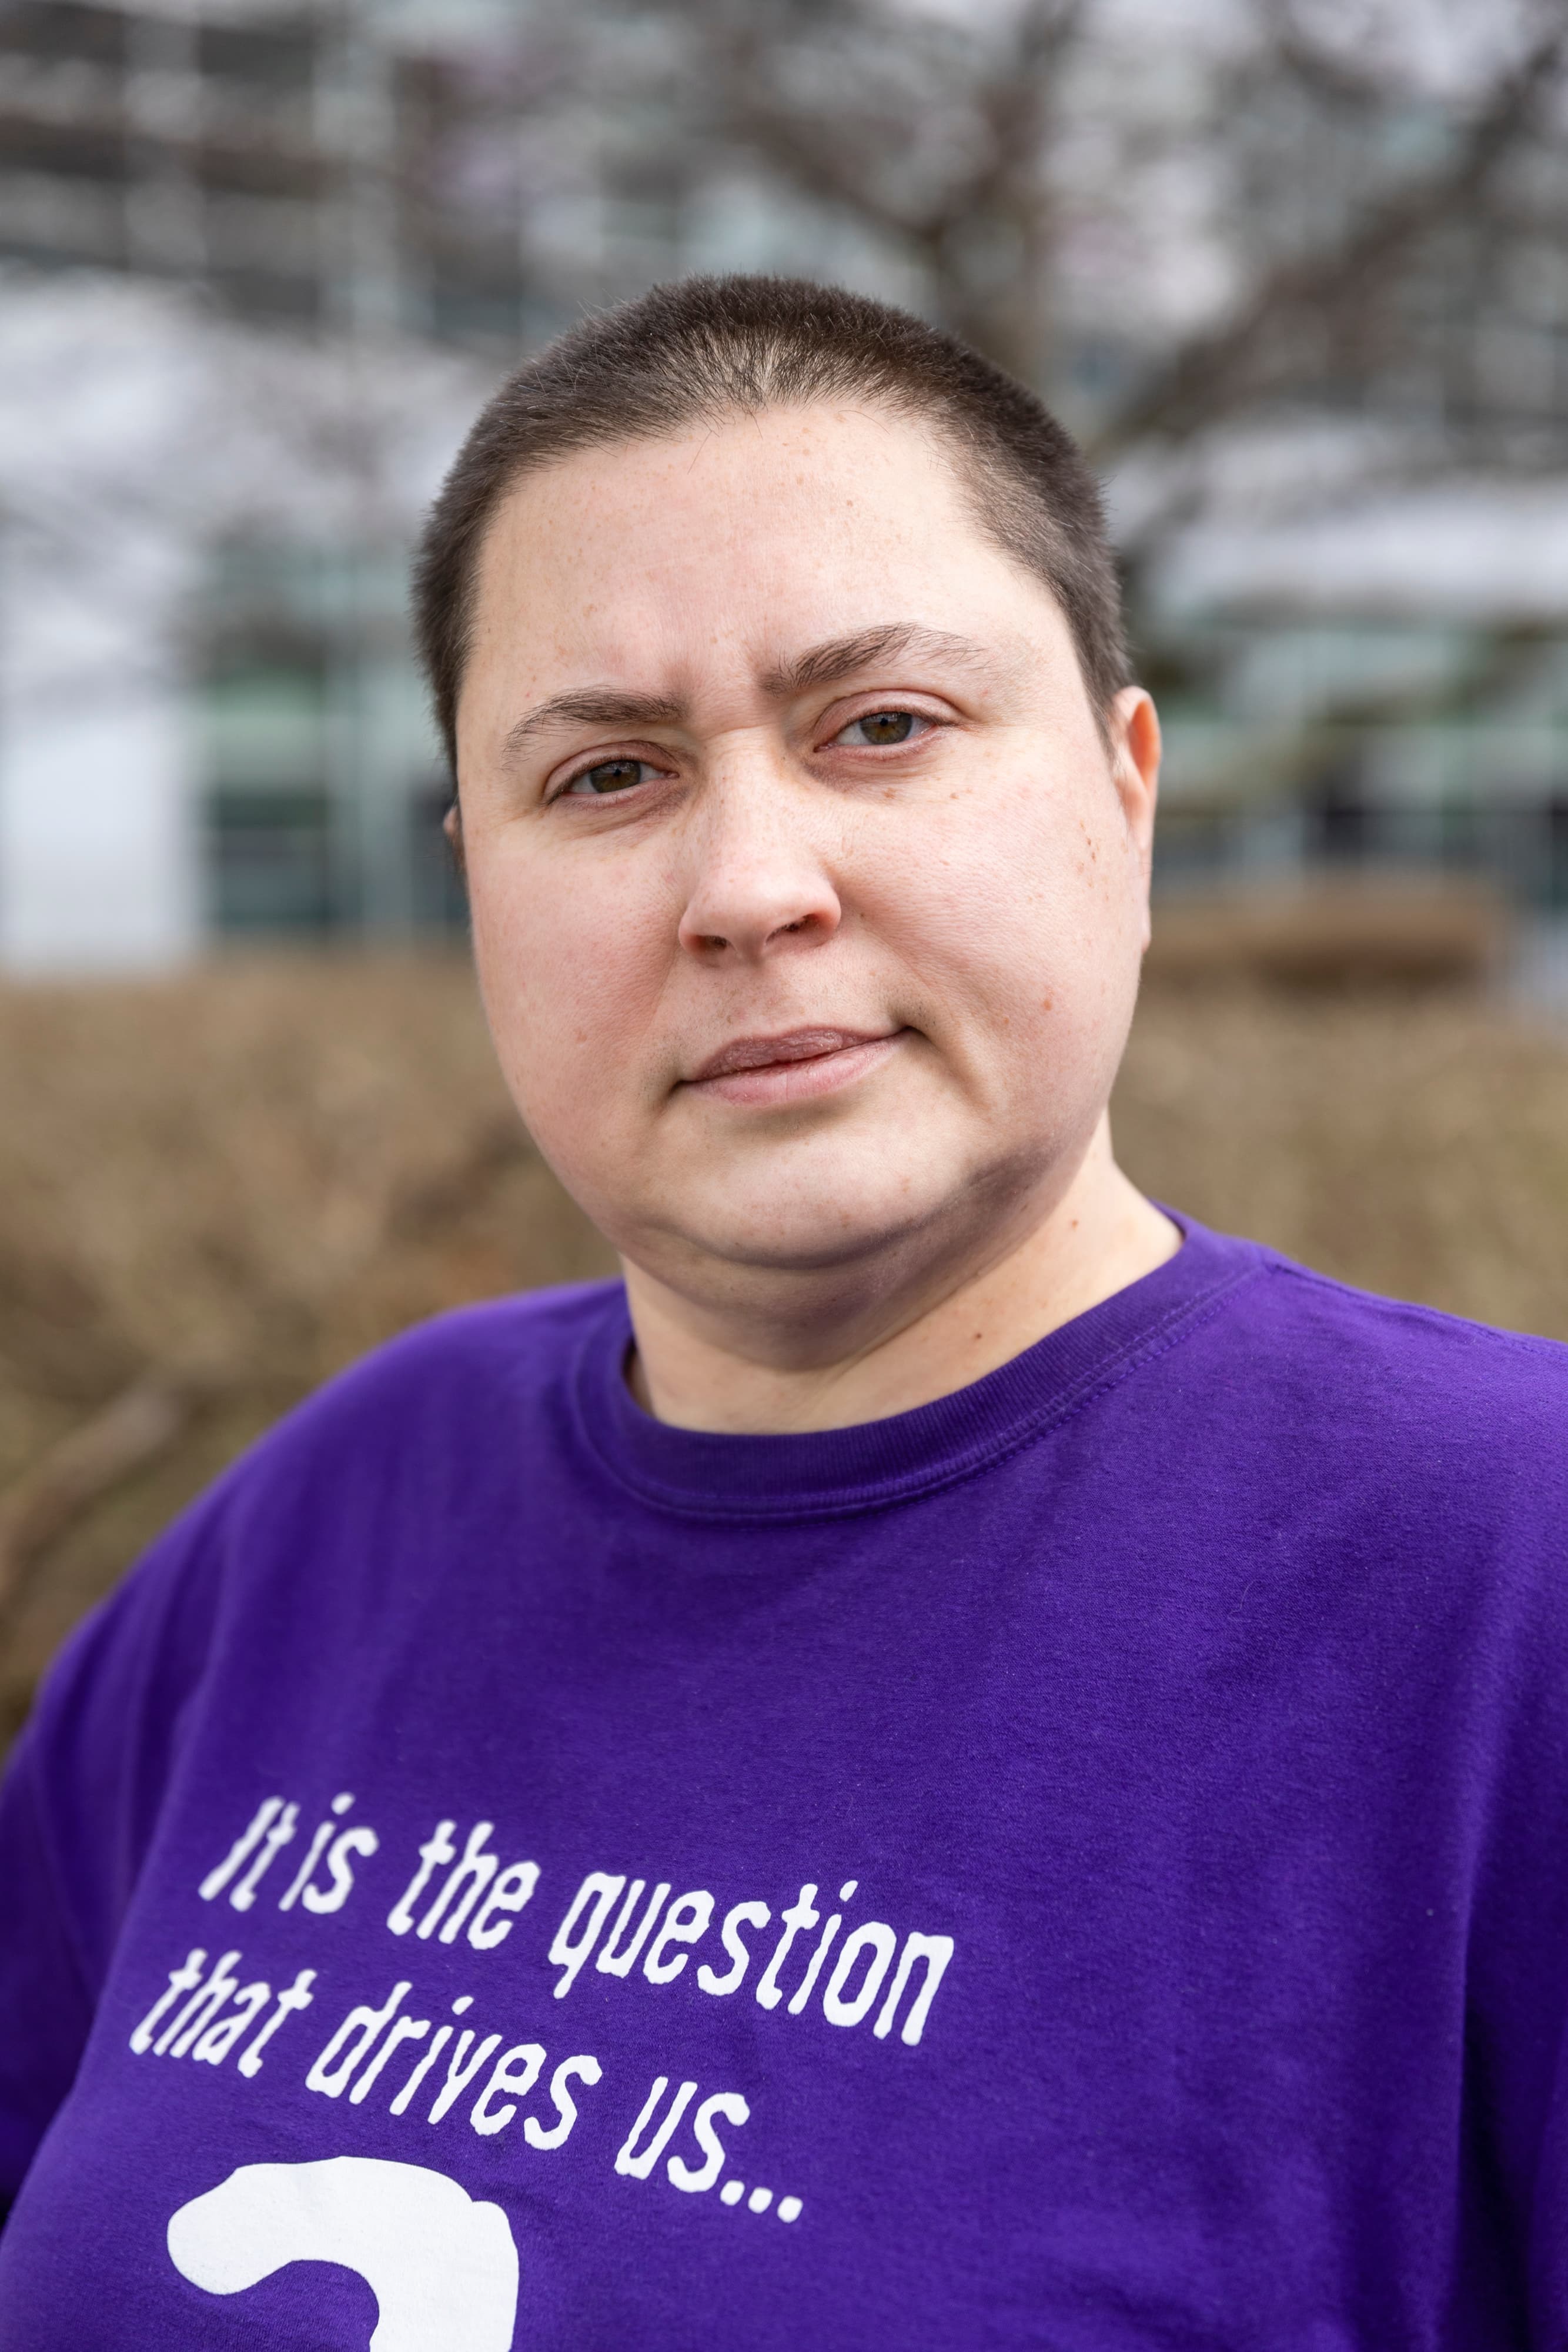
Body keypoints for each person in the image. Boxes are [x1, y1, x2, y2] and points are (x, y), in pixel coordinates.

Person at [0, 275, 1564, 2352]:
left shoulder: (1500, 1573)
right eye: (606, 776)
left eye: (881, 726)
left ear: (1124, 795)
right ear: (477, 876)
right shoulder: (339, 1504)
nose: (749, 885)